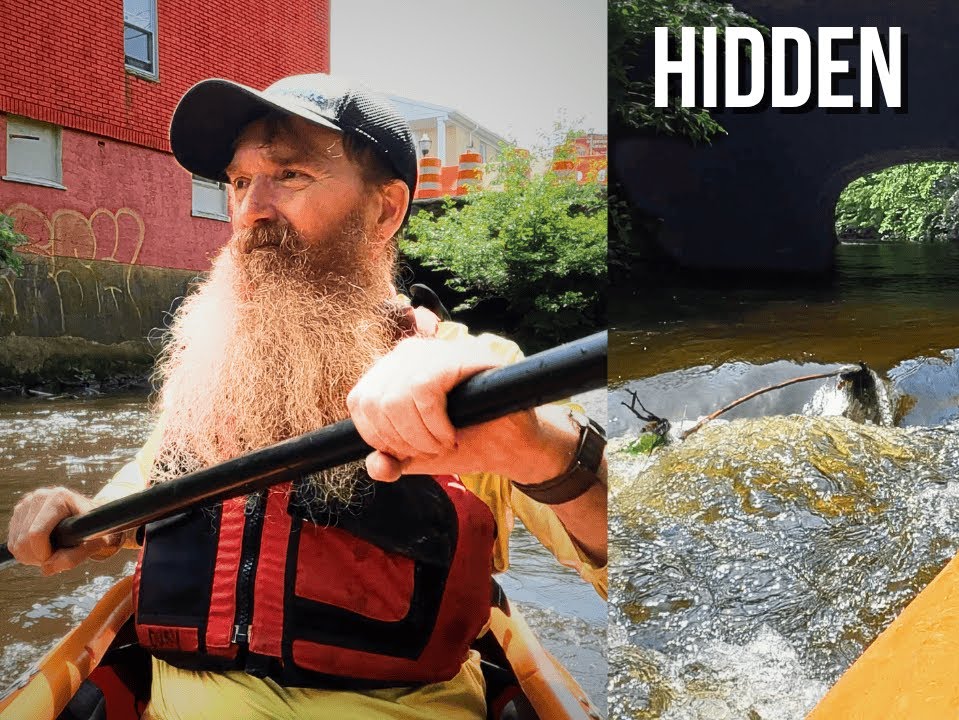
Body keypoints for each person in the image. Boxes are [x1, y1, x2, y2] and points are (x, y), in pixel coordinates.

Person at [3, 74, 607, 719]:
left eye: (289, 175)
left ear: (385, 210)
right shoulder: (209, 371)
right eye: (238, 182)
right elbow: (142, 497)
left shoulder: (477, 378)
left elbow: (624, 562)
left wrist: (537, 449)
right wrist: (77, 516)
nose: (252, 209)